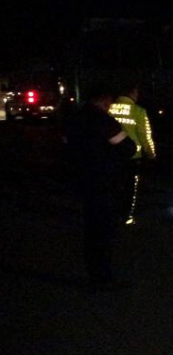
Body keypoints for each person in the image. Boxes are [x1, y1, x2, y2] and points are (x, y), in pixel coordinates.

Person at [65, 85, 137, 289]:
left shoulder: (74, 119)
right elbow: (128, 148)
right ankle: (103, 277)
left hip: (83, 179)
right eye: (110, 103)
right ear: (104, 100)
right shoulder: (103, 121)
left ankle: (94, 273)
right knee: (104, 231)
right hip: (105, 180)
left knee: (91, 229)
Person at [108, 83, 156, 225]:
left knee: (111, 185)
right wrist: (151, 153)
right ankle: (127, 216)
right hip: (132, 156)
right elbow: (145, 135)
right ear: (133, 93)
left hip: (110, 154)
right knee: (130, 187)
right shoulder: (138, 111)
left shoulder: (108, 107)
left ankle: (111, 213)